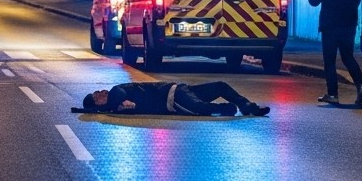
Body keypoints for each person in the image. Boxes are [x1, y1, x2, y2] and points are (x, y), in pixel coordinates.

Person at [307, 0, 362, 104]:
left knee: (330, 61)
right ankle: (361, 85)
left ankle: (333, 94)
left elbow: (313, 0)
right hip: (348, 24)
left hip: (330, 25)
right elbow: (357, 1)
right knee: (348, 57)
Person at [80, 81, 270, 116]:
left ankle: (242, 106)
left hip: (172, 95)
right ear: (97, 104)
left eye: (98, 92)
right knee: (219, 88)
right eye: (97, 97)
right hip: (175, 92)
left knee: (199, 108)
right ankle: (243, 107)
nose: (101, 92)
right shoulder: (115, 103)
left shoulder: (116, 92)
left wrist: (107, 107)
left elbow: (117, 95)